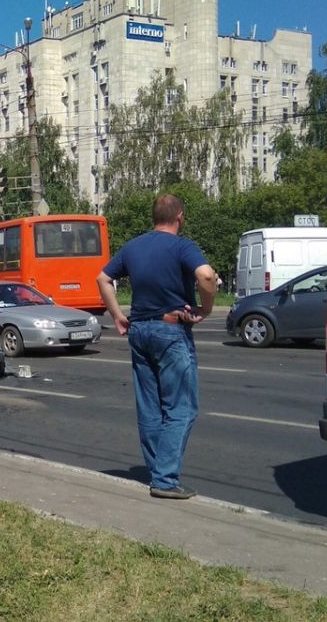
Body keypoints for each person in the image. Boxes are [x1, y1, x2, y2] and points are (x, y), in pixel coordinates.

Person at [95, 194, 217, 500]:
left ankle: (157, 470)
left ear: (154, 217)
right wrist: (206, 308)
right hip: (170, 330)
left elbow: (103, 278)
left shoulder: (133, 246)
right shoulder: (181, 246)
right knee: (181, 407)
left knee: (149, 407)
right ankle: (164, 479)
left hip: (139, 330)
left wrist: (117, 315)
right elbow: (206, 275)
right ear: (179, 217)